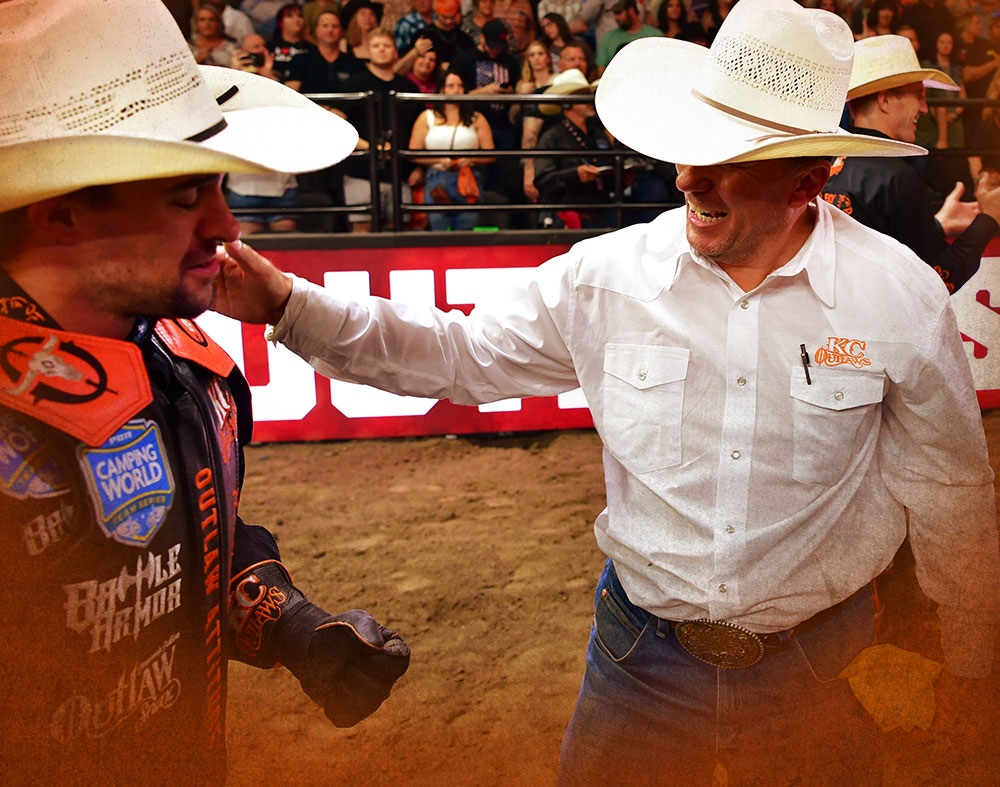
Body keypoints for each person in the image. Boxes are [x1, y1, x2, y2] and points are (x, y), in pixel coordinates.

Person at [214, 1, 999, 783]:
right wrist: (289, 304)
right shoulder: (606, 277)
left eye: (729, 156)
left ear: (810, 174)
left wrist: (974, 669)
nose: (689, 177)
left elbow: (950, 488)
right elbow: (454, 353)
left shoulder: (897, 295)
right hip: (640, 666)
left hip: (821, 673)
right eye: (690, 147)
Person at [0, 0, 410, 784]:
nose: (226, 224)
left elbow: (190, 538)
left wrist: (289, 625)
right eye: (188, 195)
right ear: (60, 213)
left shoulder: (188, 361)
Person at [822, 34, 1000, 293]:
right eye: (919, 95)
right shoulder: (898, 179)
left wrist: (936, 225)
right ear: (885, 101)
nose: (925, 108)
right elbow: (937, 282)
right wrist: (989, 218)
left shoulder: (825, 167)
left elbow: (875, 246)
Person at [339, 28, 423, 231]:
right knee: (362, 230)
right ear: (368, 51)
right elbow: (337, 124)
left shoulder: (409, 88)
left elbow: (421, 130)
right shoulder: (354, 84)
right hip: (361, 171)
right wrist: (370, 147)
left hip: (400, 172)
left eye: (387, 46)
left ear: (395, 51)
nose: (382, 50)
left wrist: (419, 165)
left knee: (396, 234)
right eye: (376, 46)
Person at [409, 70, 496, 229]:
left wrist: (472, 159)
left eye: (460, 86)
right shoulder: (427, 117)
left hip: (468, 177)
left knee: (467, 233)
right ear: (442, 90)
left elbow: (491, 154)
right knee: (439, 233)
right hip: (437, 177)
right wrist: (438, 160)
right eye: (451, 86)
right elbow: (413, 152)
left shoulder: (477, 118)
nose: (457, 90)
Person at [534, 69, 613, 228]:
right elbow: (543, 181)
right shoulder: (551, 137)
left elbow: (609, 167)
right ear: (567, 102)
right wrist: (575, 174)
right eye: (581, 95)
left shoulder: (598, 134)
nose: (588, 100)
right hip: (568, 217)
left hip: (601, 213)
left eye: (587, 94)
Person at [285, 9, 364, 92]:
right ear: (316, 31)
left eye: (335, 26)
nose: (330, 30)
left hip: (344, 105)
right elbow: (291, 96)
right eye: (325, 26)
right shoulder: (300, 60)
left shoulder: (354, 63)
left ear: (341, 32)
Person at [595, 0, 663, 75]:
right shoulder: (609, 36)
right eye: (615, 14)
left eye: (619, 13)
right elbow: (600, 72)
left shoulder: (655, 35)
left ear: (631, 11)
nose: (616, 18)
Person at [271, 3, 316, 81]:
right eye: (289, 16)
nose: (297, 19)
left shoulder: (312, 49)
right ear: (280, 23)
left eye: (300, 16)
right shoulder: (270, 47)